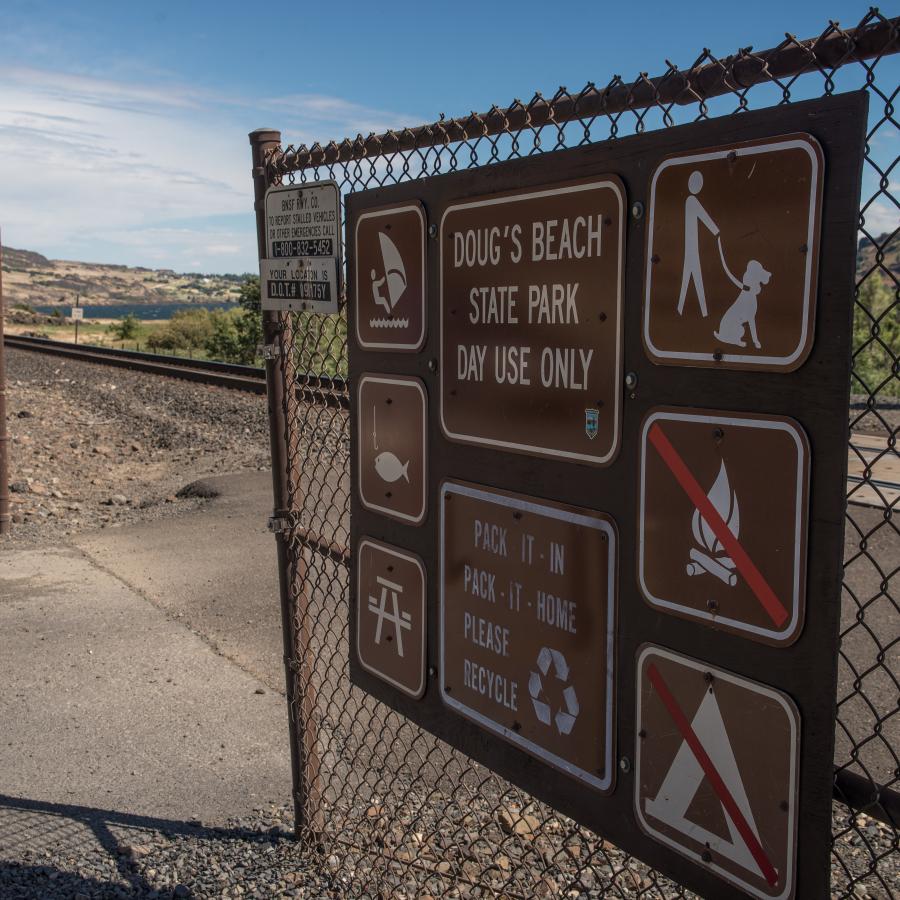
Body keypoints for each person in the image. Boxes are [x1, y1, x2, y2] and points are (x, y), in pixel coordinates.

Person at [677, 170, 720, 318]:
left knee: (692, 277)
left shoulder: (691, 200)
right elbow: (704, 217)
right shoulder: (691, 201)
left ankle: (683, 308)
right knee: (693, 277)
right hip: (691, 248)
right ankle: (701, 311)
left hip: (692, 248)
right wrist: (716, 231)